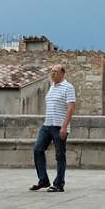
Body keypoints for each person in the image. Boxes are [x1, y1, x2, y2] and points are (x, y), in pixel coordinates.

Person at [29, 64, 75, 193]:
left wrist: (64, 127)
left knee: (60, 155)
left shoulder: (68, 87)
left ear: (62, 73)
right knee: (38, 149)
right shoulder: (51, 87)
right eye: (51, 71)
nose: (52, 73)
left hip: (59, 125)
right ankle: (43, 180)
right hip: (47, 125)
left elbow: (71, 108)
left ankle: (59, 183)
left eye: (55, 71)